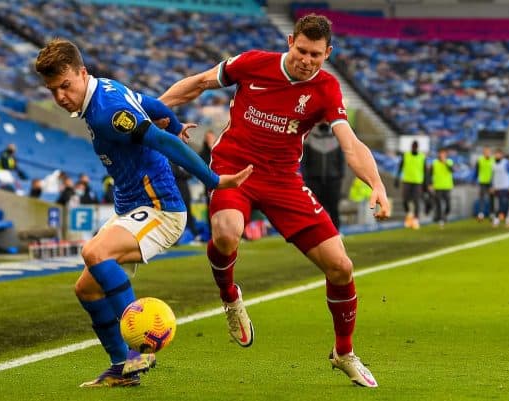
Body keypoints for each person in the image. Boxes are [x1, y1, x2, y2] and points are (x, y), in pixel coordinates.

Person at [160, 14, 390, 388]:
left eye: (316, 55)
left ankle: (344, 353)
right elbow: (200, 83)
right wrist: (149, 111)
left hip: (283, 179)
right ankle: (230, 297)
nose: (307, 60)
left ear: (327, 53)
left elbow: (349, 142)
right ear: (289, 42)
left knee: (341, 267)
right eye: (302, 51)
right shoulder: (252, 63)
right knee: (227, 234)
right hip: (235, 168)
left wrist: (376, 184)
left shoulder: (327, 88)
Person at [35, 38, 252, 388]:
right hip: (131, 208)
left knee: (94, 252)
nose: (60, 96)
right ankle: (123, 367)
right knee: (87, 290)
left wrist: (213, 180)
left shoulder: (106, 111)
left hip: (159, 208)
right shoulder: (102, 89)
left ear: (82, 73)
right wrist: (174, 120)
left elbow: (160, 141)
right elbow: (147, 102)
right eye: (53, 90)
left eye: (65, 86)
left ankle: (140, 349)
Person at [301, 122, 345, 229]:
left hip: (333, 180)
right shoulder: (310, 138)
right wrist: (306, 178)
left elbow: (341, 160)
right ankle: (317, 231)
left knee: (334, 207)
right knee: (315, 208)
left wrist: (339, 176)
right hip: (314, 179)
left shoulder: (336, 137)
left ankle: (336, 231)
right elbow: (305, 161)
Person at [394, 140, 426, 229]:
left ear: (417, 147)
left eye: (415, 146)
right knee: (405, 199)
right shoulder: (406, 155)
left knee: (416, 201)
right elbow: (400, 167)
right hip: (407, 181)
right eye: (413, 146)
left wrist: (425, 184)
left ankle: (415, 220)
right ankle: (409, 215)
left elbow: (425, 171)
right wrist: (397, 178)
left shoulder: (422, 157)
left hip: (417, 182)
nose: (414, 148)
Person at [170, 161, 201, 242]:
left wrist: (184, 173)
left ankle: (195, 235)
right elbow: (176, 173)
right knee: (177, 215)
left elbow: (189, 174)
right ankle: (175, 239)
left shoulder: (181, 163)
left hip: (185, 191)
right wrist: (184, 174)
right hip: (177, 192)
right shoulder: (171, 162)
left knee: (189, 215)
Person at [429, 148, 454, 227]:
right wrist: (430, 184)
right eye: (440, 154)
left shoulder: (449, 162)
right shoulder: (434, 163)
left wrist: (445, 162)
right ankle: (441, 219)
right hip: (438, 186)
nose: (442, 155)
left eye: (443, 154)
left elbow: (452, 170)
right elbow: (430, 174)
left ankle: (445, 215)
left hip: (447, 186)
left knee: (448, 205)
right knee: (439, 204)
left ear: (446, 155)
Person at [490, 148, 509, 228]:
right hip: (497, 187)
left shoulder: (506, 163)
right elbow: (492, 176)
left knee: (505, 204)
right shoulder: (493, 164)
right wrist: (492, 186)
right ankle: (498, 219)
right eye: (496, 154)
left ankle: (505, 219)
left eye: (499, 154)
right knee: (499, 205)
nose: (497, 155)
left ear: (502, 155)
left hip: (506, 187)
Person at [473, 146, 495, 221]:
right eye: (485, 151)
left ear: (490, 152)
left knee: (491, 198)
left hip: (491, 182)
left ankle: (492, 213)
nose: (486, 153)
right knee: (482, 198)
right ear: (483, 152)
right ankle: (481, 213)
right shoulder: (480, 160)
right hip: (482, 181)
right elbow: (476, 171)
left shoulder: (493, 160)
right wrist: (474, 180)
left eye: (488, 151)